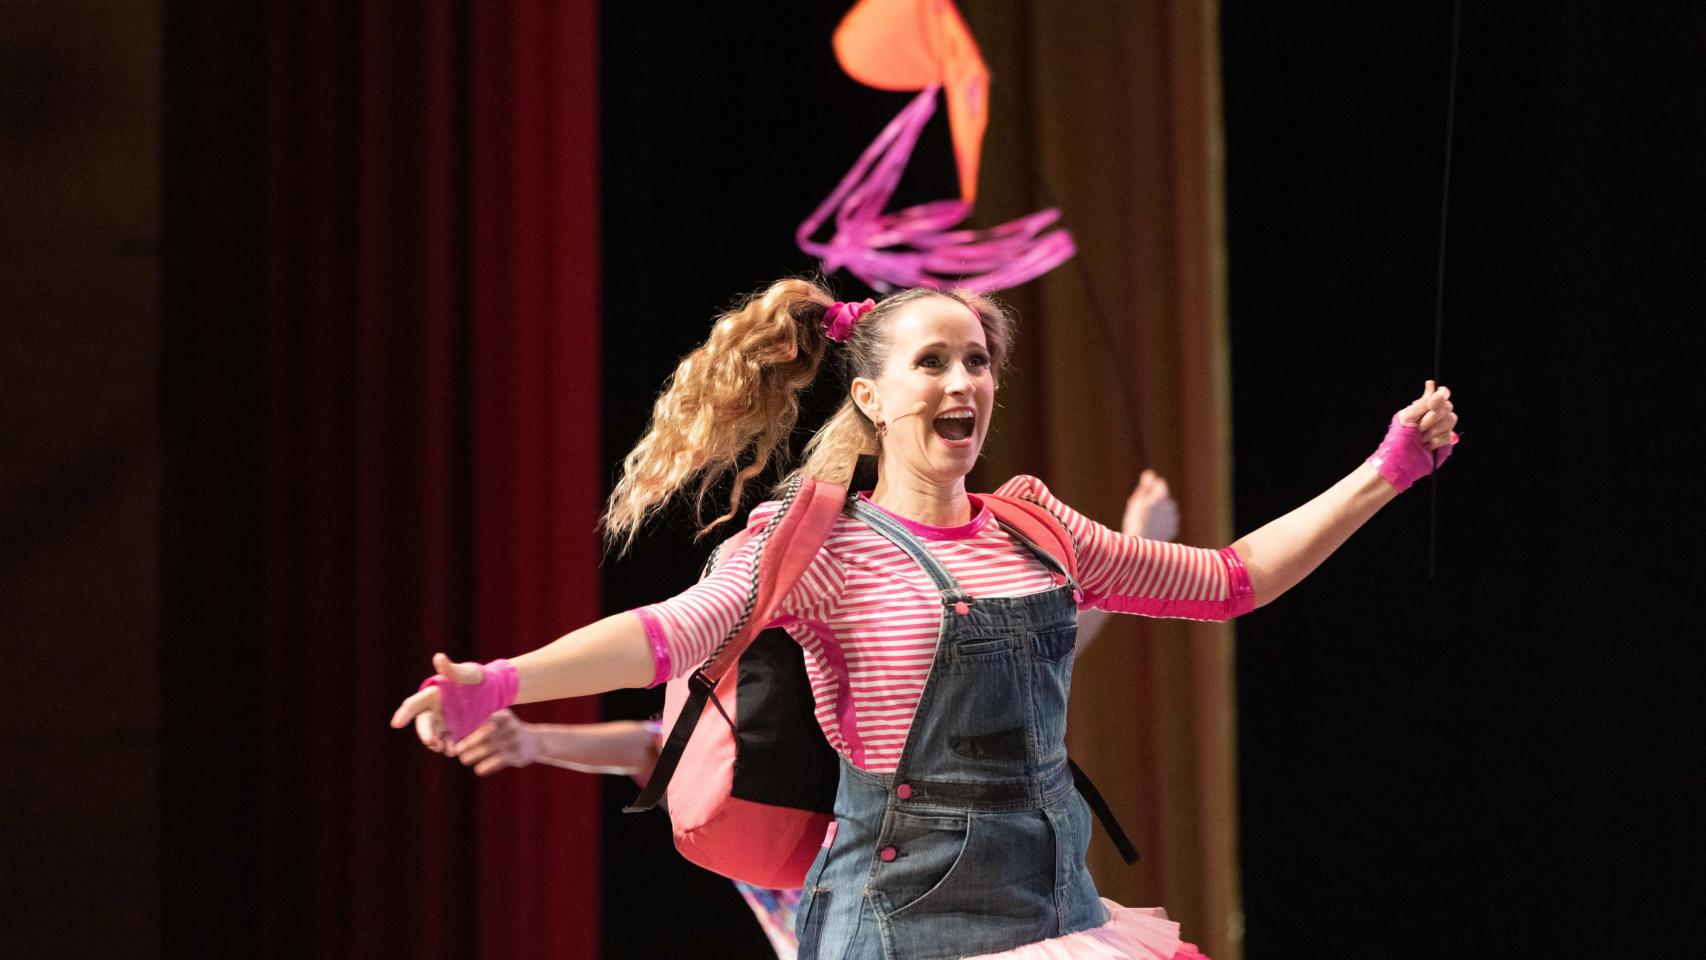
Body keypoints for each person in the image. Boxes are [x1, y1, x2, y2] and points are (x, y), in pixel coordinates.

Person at [391, 280, 1459, 960]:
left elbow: (1232, 579)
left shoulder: (1039, 531)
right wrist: (499, 681)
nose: (963, 381)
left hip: (1055, 914)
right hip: (903, 929)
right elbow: (667, 631)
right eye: (933, 361)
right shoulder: (812, 545)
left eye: (978, 360)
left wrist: (1385, 472)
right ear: (868, 397)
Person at [451, 472, 1182, 960]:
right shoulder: (771, 677)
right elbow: (657, 742)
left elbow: (1031, 650)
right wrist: (526, 722)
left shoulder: (859, 668)